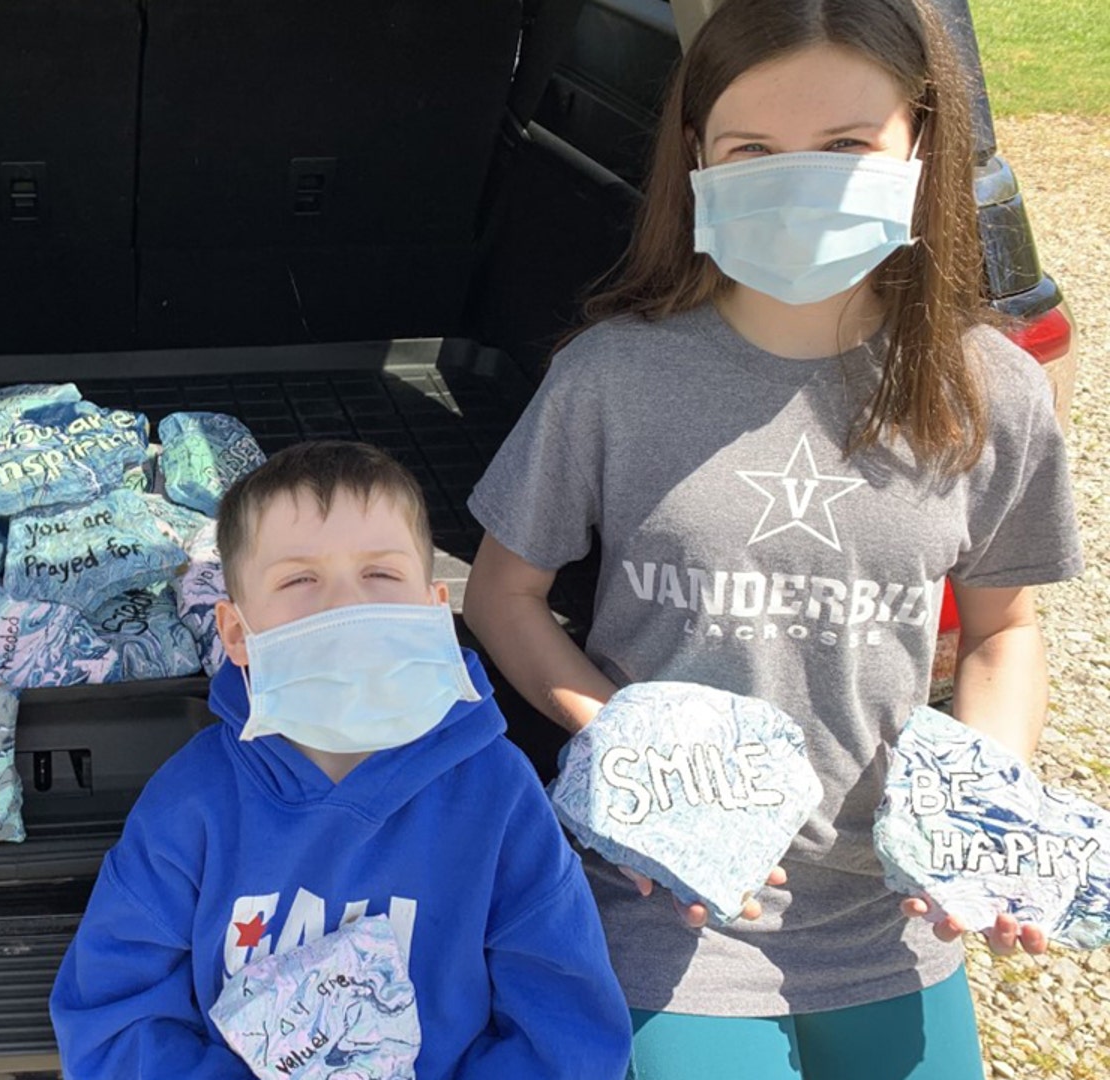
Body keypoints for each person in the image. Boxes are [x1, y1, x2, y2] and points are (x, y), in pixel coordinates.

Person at [460, 0, 1083, 1075]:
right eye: (754, 148)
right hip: (669, 912)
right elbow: (501, 593)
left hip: (895, 918)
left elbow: (1003, 631)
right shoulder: (610, 377)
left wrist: (983, 815)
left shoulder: (989, 390)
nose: (801, 181)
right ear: (697, 156)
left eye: (846, 146)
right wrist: (626, 747)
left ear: (920, 145)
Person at [50, 440, 632, 1078]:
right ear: (237, 633)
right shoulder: (191, 803)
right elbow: (113, 1018)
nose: (346, 604)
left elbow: (567, 1027)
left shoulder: (497, 793)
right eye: (300, 579)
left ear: (434, 611)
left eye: (380, 574)